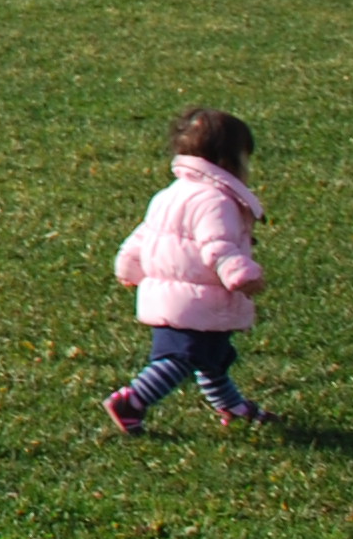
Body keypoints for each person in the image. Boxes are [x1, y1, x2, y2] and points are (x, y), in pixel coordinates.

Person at [103, 106, 267, 433]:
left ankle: (231, 405)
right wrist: (240, 274)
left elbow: (145, 233)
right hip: (196, 301)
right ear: (226, 161)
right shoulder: (215, 201)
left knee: (212, 359)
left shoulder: (170, 194)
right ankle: (131, 401)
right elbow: (217, 245)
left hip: (174, 297)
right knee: (180, 360)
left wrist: (129, 265)